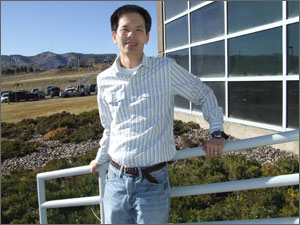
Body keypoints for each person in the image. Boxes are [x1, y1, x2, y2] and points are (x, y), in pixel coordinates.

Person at [90, 4, 229, 224]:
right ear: (114, 35)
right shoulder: (104, 80)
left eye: (139, 29)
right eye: (125, 29)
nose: (131, 35)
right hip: (115, 181)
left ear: (147, 37)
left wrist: (217, 133)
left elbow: (205, 94)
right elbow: (110, 127)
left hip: (153, 183)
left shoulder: (165, 69)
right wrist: (100, 159)